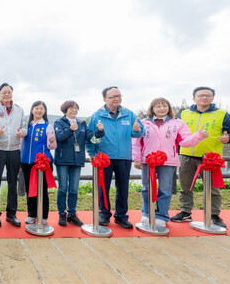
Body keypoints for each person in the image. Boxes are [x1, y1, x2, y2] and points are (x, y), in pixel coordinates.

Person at [132, 97, 207, 227]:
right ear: (152, 109)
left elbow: (184, 141)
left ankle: (161, 215)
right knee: (146, 188)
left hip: (168, 161)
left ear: (169, 108)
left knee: (165, 190)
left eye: (164, 106)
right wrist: (137, 158)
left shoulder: (177, 123)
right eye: (158, 106)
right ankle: (146, 213)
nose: (161, 109)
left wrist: (198, 136)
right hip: (147, 161)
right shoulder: (144, 123)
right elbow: (136, 142)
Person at [171, 87, 230, 228]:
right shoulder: (183, 114)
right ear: (194, 98)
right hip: (186, 156)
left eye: (208, 95)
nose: (204, 97)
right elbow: (175, 133)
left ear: (212, 98)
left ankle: (214, 215)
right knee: (185, 186)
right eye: (201, 95)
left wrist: (228, 139)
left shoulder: (223, 114)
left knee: (213, 189)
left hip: (211, 159)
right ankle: (185, 212)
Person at [87, 86, 145, 229]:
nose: (116, 99)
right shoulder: (97, 116)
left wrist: (137, 130)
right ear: (105, 99)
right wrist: (91, 153)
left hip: (124, 157)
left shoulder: (129, 114)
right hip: (103, 157)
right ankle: (104, 215)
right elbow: (90, 137)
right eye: (112, 96)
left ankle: (121, 216)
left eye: (118, 96)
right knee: (103, 187)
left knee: (123, 188)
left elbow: (140, 133)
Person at [0, 83, 27, 227]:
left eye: (9, 92)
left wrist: (23, 133)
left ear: (12, 94)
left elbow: (25, 126)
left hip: (14, 150)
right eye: (4, 92)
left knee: (13, 182)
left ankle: (11, 214)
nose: (7, 95)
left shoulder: (19, 110)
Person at [54, 100, 104, 227]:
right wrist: (70, 130)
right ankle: (61, 214)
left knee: (74, 189)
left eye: (76, 108)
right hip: (63, 160)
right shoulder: (58, 122)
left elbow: (93, 139)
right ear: (65, 110)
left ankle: (72, 214)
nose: (74, 110)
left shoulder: (82, 123)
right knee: (63, 188)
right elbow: (59, 138)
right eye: (71, 108)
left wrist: (99, 132)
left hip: (77, 160)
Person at [20, 101, 56, 225]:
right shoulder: (26, 126)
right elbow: (21, 145)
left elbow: (52, 146)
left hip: (42, 163)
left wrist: (51, 141)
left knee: (42, 189)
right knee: (30, 189)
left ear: (44, 111)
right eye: (36, 108)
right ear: (32, 110)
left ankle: (44, 215)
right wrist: (20, 160)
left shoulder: (47, 126)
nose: (39, 110)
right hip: (26, 162)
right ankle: (31, 214)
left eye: (42, 109)